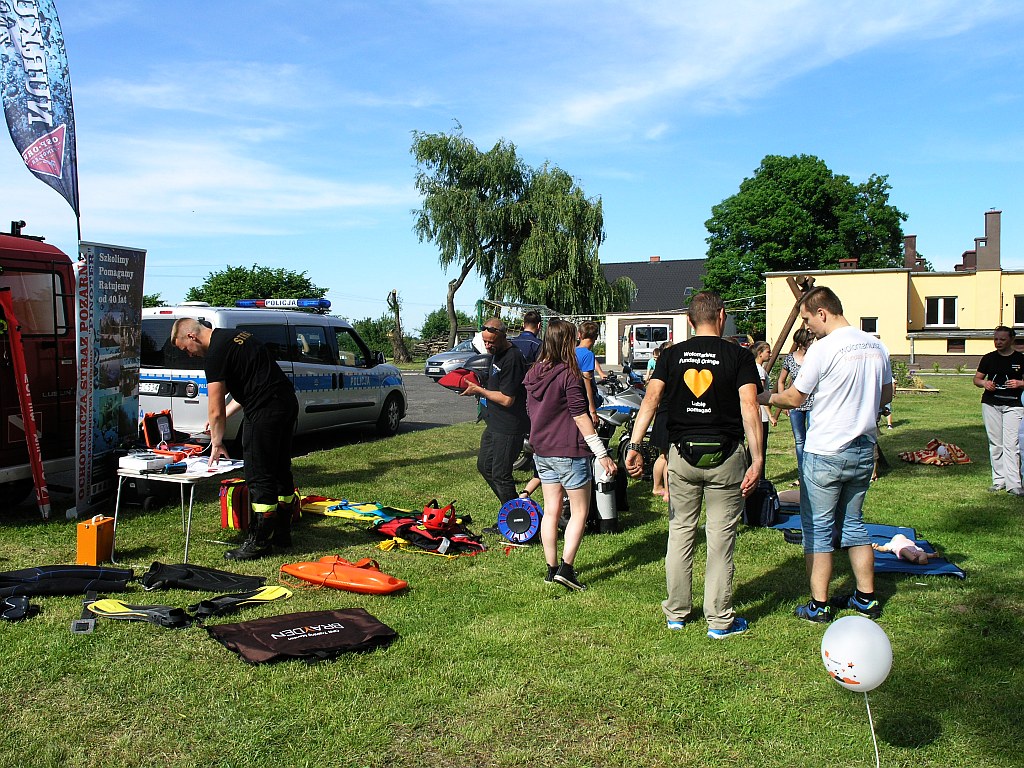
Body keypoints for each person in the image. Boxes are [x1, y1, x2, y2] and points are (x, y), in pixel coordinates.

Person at [625, 291, 763, 639]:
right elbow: (750, 407)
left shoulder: (671, 356)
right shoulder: (740, 356)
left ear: (689, 321)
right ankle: (718, 621)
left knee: (680, 532)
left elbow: (651, 400)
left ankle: (676, 612)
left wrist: (635, 444)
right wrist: (757, 458)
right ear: (722, 316)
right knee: (720, 539)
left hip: (681, 457)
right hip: (727, 456)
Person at [763, 286, 892, 623]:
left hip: (825, 452)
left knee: (818, 529)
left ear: (822, 312)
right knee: (854, 524)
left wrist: (764, 399)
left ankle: (818, 605)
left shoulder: (824, 349)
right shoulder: (876, 344)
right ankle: (866, 598)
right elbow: (887, 393)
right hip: (863, 449)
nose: (807, 327)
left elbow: (793, 397)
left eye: (807, 319)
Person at [171, 318, 299, 560]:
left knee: (259, 474)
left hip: (264, 412)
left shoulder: (215, 354)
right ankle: (283, 533)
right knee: (281, 469)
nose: (189, 355)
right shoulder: (237, 337)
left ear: (192, 337)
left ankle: (259, 541)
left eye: (185, 349)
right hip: (285, 403)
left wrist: (217, 442)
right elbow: (249, 385)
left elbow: (215, 405)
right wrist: (223, 417)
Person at [523, 319, 617, 591]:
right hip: (570, 453)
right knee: (579, 511)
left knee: (551, 510)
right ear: (569, 342)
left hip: (542, 451)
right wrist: (602, 454)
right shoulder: (569, 375)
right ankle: (567, 568)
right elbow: (581, 417)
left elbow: (532, 413)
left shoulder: (533, 373)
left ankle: (551, 569)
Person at [460, 318, 530, 514]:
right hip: (494, 424)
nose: (488, 346)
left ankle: (517, 518)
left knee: (501, 474)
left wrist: (480, 391)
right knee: (485, 466)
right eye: (485, 342)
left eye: (491, 342)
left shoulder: (512, 357)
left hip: (509, 426)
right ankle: (511, 511)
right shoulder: (496, 355)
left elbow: (508, 399)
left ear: (502, 336)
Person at [974, 326, 1024, 495]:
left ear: (1011, 340)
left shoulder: (1020, 359)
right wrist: (984, 384)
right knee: (996, 444)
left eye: (1002, 339)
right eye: (996, 339)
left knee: (1011, 445)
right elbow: (977, 379)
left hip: (1014, 406)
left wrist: (1020, 383)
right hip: (991, 404)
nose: (998, 342)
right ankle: (999, 481)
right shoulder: (989, 358)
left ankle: (1014, 484)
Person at [774, 327, 815, 483]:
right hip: (795, 406)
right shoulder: (790, 359)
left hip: (813, 404)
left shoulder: (814, 357)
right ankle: (802, 475)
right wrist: (784, 401)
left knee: (812, 440)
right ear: (800, 343)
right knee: (800, 441)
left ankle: (811, 475)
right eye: (808, 341)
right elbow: (781, 381)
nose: (811, 342)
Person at [751, 341, 777, 479]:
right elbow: (760, 395)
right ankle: (760, 478)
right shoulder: (760, 370)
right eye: (768, 351)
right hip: (761, 416)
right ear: (760, 353)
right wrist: (770, 414)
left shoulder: (752, 368)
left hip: (757, 414)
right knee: (760, 448)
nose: (770, 354)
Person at [576, 321, 606, 426]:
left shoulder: (571, 351)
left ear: (579, 334)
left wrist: (600, 371)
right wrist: (592, 409)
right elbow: (587, 381)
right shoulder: (588, 354)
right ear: (596, 337)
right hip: (584, 399)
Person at [872, 533, 939, 566]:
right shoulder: (892, 543)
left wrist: (932, 555)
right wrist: (878, 547)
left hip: (914, 550)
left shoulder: (909, 541)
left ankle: (923, 560)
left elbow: (915, 547)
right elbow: (884, 548)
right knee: (904, 550)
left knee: (923, 553)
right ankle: (916, 560)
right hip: (903, 551)